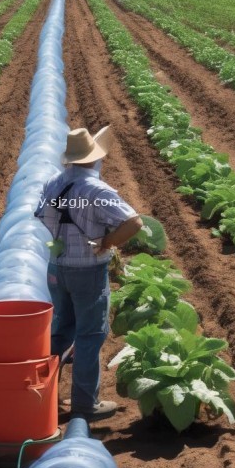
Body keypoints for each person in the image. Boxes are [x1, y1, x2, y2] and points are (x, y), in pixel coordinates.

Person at [35, 126, 143, 421]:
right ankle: (85, 404)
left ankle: (46, 398)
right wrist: (107, 242)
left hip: (57, 268)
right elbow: (134, 223)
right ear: (94, 159)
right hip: (88, 273)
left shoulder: (53, 183)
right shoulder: (96, 190)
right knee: (89, 336)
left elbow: (41, 215)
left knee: (59, 333)